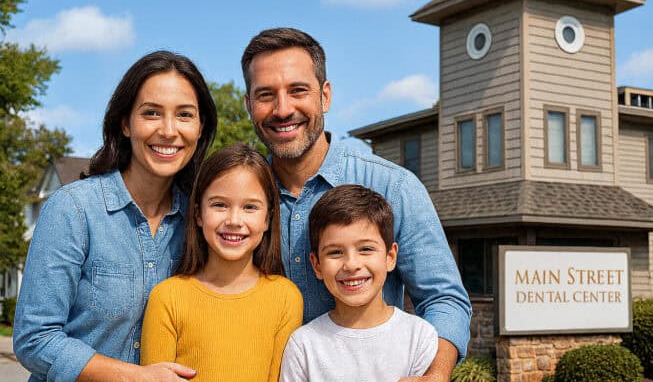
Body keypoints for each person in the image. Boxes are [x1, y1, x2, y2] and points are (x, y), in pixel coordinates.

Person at [241, 27, 472, 380]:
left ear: (325, 96)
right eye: (266, 95)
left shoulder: (395, 187)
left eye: (298, 90)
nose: (283, 109)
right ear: (248, 105)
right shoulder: (238, 201)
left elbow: (445, 300)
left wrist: (435, 374)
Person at [14, 50, 218, 382]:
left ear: (200, 127)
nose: (168, 130)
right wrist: (136, 376)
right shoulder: (74, 210)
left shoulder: (202, 222)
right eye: (151, 113)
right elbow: (34, 339)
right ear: (125, 123)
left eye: (184, 115)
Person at [140, 143, 303, 381]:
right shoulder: (167, 297)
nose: (234, 220)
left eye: (250, 207)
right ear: (197, 214)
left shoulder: (286, 297)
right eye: (219, 205)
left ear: (268, 219)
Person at [280, 184, 439, 381]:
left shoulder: (419, 337)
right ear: (317, 265)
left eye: (365, 249)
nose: (351, 265)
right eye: (335, 252)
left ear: (390, 256)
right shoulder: (303, 346)